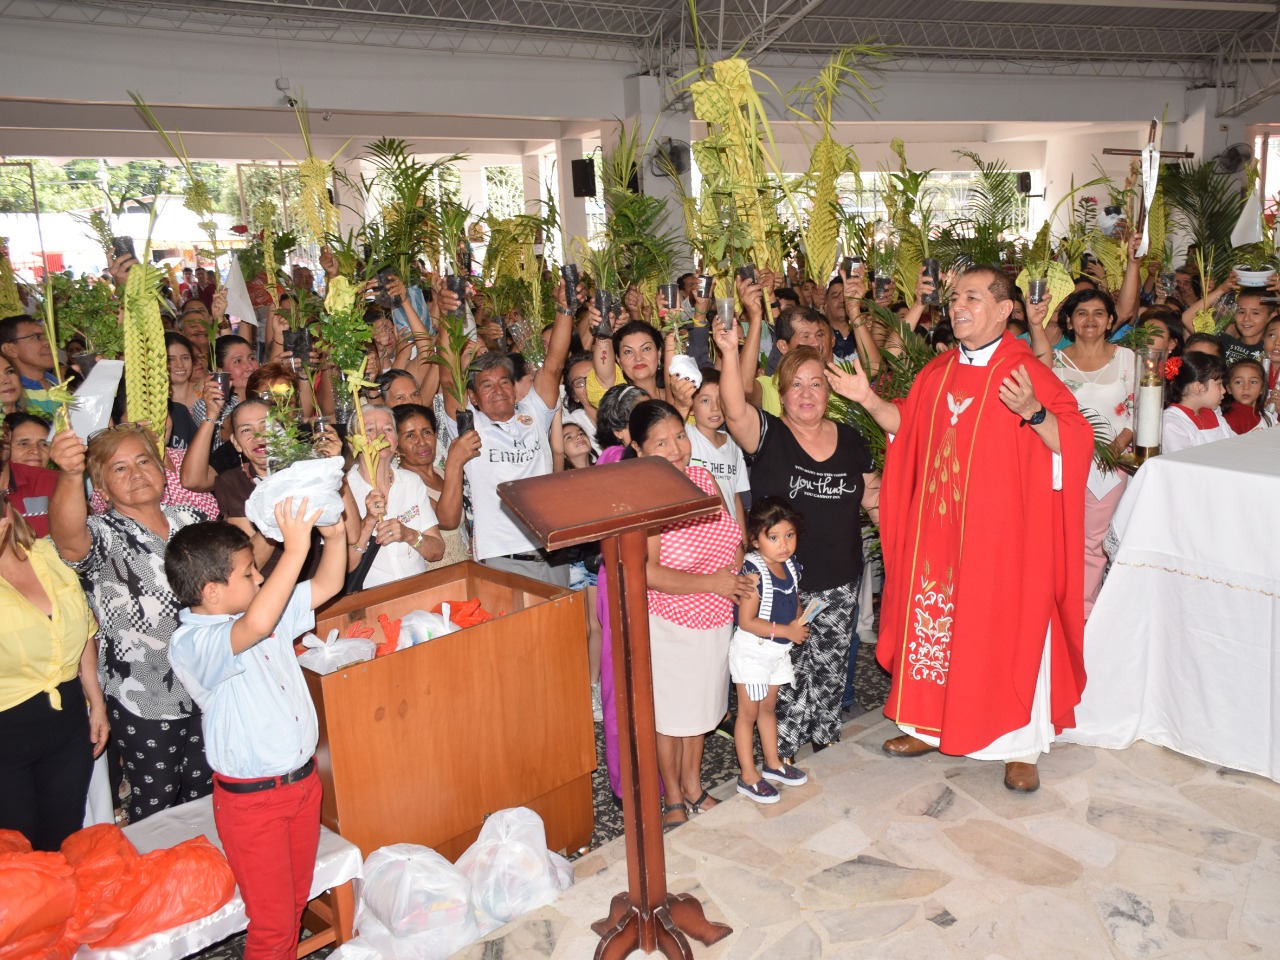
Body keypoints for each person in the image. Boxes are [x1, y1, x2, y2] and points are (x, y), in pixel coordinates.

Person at [831, 264, 1094, 794]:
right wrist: (867, 399)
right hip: (943, 535)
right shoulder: (939, 371)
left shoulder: (1026, 371)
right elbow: (907, 425)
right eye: (954, 297)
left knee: (1004, 632)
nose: (957, 306)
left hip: (1004, 542)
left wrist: (1034, 412)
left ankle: (1020, 746)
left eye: (972, 297)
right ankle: (930, 725)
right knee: (942, 627)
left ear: (1004, 310)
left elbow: (1077, 440)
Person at [167, 500, 346, 960]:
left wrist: (334, 535)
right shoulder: (193, 642)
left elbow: (328, 584)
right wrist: (295, 549)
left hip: (301, 786)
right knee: (273, 926)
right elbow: (258, 623)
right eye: (249, 573)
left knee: (293, 905)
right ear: (212, 592)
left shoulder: (258, 609)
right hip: (254, 804)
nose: (261, 579)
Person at [716, 319, 879, 763]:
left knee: (829, 669)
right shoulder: (768, 435)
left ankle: (825, 740)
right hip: (778, 584)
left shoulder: (851, 439)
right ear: (782, 393)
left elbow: (874, 498)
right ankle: (782, 752)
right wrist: (729, 352)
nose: (807, 394)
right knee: (780, 672)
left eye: (816, 384)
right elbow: (734, 409)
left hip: (839, 578)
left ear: (829, 391)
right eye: (796, 385)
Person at [49, 423, 213, 822]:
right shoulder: (103, 534)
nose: (136, 473)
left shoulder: (191, 520)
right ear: (102, 488)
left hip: (209, 682)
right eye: (119, 469)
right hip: (144, 694)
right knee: (157, 800)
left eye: (143, 461)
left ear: (162, 469)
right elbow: (68, 540)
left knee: (207, 792)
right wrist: (70, 476)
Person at [629, 400, 750, 827]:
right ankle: (674, 798)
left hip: (715, 618)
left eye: (680, 436)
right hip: (671, 625)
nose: (677, 448)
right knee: (671, 718)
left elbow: (732, 536)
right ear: (640, 450)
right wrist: (713, 583)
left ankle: (695, 788)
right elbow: (647, 572)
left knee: (700, 712)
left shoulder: (702, 477)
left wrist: (735, 574)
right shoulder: (645, 496)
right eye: (661, 443)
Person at [437, 281, 574, 587]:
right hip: (503, 560)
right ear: (473, 398)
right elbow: (447, 378)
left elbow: (554, 365)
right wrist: (447, 316)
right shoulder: (469, 426)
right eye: (486, 385)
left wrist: (565, 308)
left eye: (503, 382)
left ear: (514, 388)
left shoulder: (534, 413)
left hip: (552, 551)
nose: (497, 390)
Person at [0, 492, 108, 850]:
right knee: (16, 854)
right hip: (6, 735)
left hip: (68, 725)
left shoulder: (48, 553)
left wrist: (96, 702)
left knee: (62, 841)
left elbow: (83, 628)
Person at [1030, 288, 1134, 619]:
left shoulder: (1128, 358)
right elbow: (1041, 404)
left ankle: (1084, 614)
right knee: (1057, 537)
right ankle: (1053, 608)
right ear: (1069, 322)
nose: (1091, 319)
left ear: (1111, 321)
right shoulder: (1055, 362)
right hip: (1061, 460)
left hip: (1110, 463)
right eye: (1082, 313)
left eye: (1099, 313)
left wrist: (1114, 448)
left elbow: (1139, 411)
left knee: (1093, 541)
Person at [730, 497, 810, 805]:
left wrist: (799, 619)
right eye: (773, 537)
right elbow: (747, 621)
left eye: (789, 535)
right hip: (754, 652)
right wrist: (787, 630)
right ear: (755, 540)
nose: (783, 544)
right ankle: (748, 775)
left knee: (767, 708)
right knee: (748, 713)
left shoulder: (789, 566)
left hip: (777, 652)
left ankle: (773, 763)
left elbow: (793, 599)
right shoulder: (754, 574)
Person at [343, 404, 446, 589]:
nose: (380, 435)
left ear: (396, 441)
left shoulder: (411, 482)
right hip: (371, 598)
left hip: (417, 591)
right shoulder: (342, 490)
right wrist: (369, 521)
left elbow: (437, 552)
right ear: (352, 444)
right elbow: (345, 568)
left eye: (388, 429)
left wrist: (409, 534)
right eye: (370, 430)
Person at [391, 403, 471, 570]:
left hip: (462, 565)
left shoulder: (442, 473)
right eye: (410, 436)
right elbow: (448, 521)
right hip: (434, 572)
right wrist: (455, 463)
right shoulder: (403, 483)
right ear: (396, 445)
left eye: (426, 432)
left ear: (435, 436)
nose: (422, 442)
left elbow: (460, 525)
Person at [686, 369, 749, 531]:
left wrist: (742, 537)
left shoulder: (734, 444)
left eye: (720, 399)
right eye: (705, 401)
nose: (715, 408)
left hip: (728, 534)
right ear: (691, 407)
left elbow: (735, 496)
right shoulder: (686, 437)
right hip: (700, 531)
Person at [1162, 353, 1234, 453]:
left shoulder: (1214, 415)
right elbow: (1182, 459)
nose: (1223, 390)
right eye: (1219, 384)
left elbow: (1234, 445)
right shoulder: (1171, 423)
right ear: (1198, 387)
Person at [0, 315, 59, 417]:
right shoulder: (10, 395)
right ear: (10, 350)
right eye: (37, 337)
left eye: (48, 336)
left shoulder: (55, 381)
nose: (48, 342)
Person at [1220, 289, 1273, 367]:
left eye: (1255, 313)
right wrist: (1220, 289)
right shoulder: (1224, 343)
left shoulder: (1271, 350)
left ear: (1270, 317)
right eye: (1241, 312)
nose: (1246, 318)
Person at [1222, 358, 1271, 434]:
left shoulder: (1267, 417)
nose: (1246, 387)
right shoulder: (1229, 420)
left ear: (1262, 388)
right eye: (1238, 382)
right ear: (1229, 388)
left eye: (1253, 382)